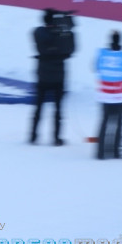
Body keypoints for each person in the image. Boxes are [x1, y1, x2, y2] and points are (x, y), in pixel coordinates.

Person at [29, 8, 76, 145]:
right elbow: (71, 49)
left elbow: (44, 36)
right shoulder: (62, 36)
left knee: (38, 107)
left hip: (42, 75)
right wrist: (67, 26)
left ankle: (33, 136)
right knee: (58, 109)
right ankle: (56, 138)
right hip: (58, 77)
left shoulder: (38, 32)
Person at [95, 30, 122, 160]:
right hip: (120, 96)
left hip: (105, 95)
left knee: (104, 123)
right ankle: (115, 151)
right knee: (119, 124)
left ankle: (100, 152)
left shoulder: (102, 54)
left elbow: (96, 68)